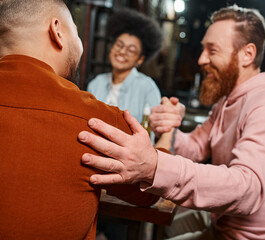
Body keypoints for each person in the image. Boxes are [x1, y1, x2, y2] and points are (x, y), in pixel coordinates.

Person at [78, 5, 265, 240]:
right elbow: (196, 147)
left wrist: (155, 166)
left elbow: (247, 189)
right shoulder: (228, 100)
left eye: (212, 50)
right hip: (222, 224)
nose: (201, 59)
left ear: (247, 54)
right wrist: (170, 127)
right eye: (203, 49)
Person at [0, 0, 158, 239]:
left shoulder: (145, 87)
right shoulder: (95, 115)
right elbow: (148, 188)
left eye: (131, 50)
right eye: (75, 30)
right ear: (57, 30)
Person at [87, 8, 162, 123]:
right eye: (119, 45)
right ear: (111, 47)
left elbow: (152, 132)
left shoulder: (148, 89)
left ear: (140, 59)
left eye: (131, 50)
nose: (122, 52)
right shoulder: (96, 84)